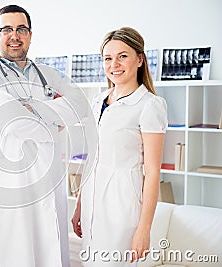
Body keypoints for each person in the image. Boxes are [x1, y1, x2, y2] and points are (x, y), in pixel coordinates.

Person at [0, 4, 88, 267]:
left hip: (50, 180)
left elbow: (79, 103)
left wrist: (31, 110)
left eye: (21, 29)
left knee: (52, 254)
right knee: (17, 256)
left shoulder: (46, 73)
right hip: (11, 187)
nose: (15, 35)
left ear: (30, 34)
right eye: (7, 29)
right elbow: (12, 122)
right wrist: (55, 120)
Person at [72, 27, 168, 266]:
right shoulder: (97, 101)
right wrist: (79, 205)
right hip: (91, 209)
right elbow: (91, 158)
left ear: (139, 59)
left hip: (122, 210)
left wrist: (144, 229)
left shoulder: (149, 105)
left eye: (122, 56)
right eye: (108, 58)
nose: (114, 64)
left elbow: (153, 171)